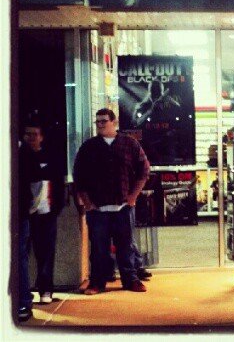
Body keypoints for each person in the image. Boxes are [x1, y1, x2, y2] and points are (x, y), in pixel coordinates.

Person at [73, 108, 150, 295]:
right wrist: (87, 203)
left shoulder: (129, 144)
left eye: (103, 121)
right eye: (97, 121)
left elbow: (144, 170)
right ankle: (97, 283)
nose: (99, 125)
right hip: (97, 208)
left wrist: (133, 196)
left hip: (123, 206)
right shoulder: (89, 147)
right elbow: (79, 176)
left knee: (126, 246)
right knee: (98, 248)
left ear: (113, 122)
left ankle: (131, 280)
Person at [23, 120, 65, 305]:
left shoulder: (51, 157)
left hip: (47, 213)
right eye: (28, 134)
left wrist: (56, 209)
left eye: (35, 134)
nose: (31, 138)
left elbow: (59, 185)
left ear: (41, 137)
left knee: (46, 253)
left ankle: (45, 289)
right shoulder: (19, 157)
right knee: (22, 253)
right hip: (24, 214)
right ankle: (23, 292)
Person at [17, 129, 42, 322]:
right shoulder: (25, 152)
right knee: (19, 258)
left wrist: (29, 208)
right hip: (20, 212)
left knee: (19, 257)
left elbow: (36, 185)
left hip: (18, 213)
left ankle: (23, 301)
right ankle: (23, 302)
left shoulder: (25, 152)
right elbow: (36, 185)